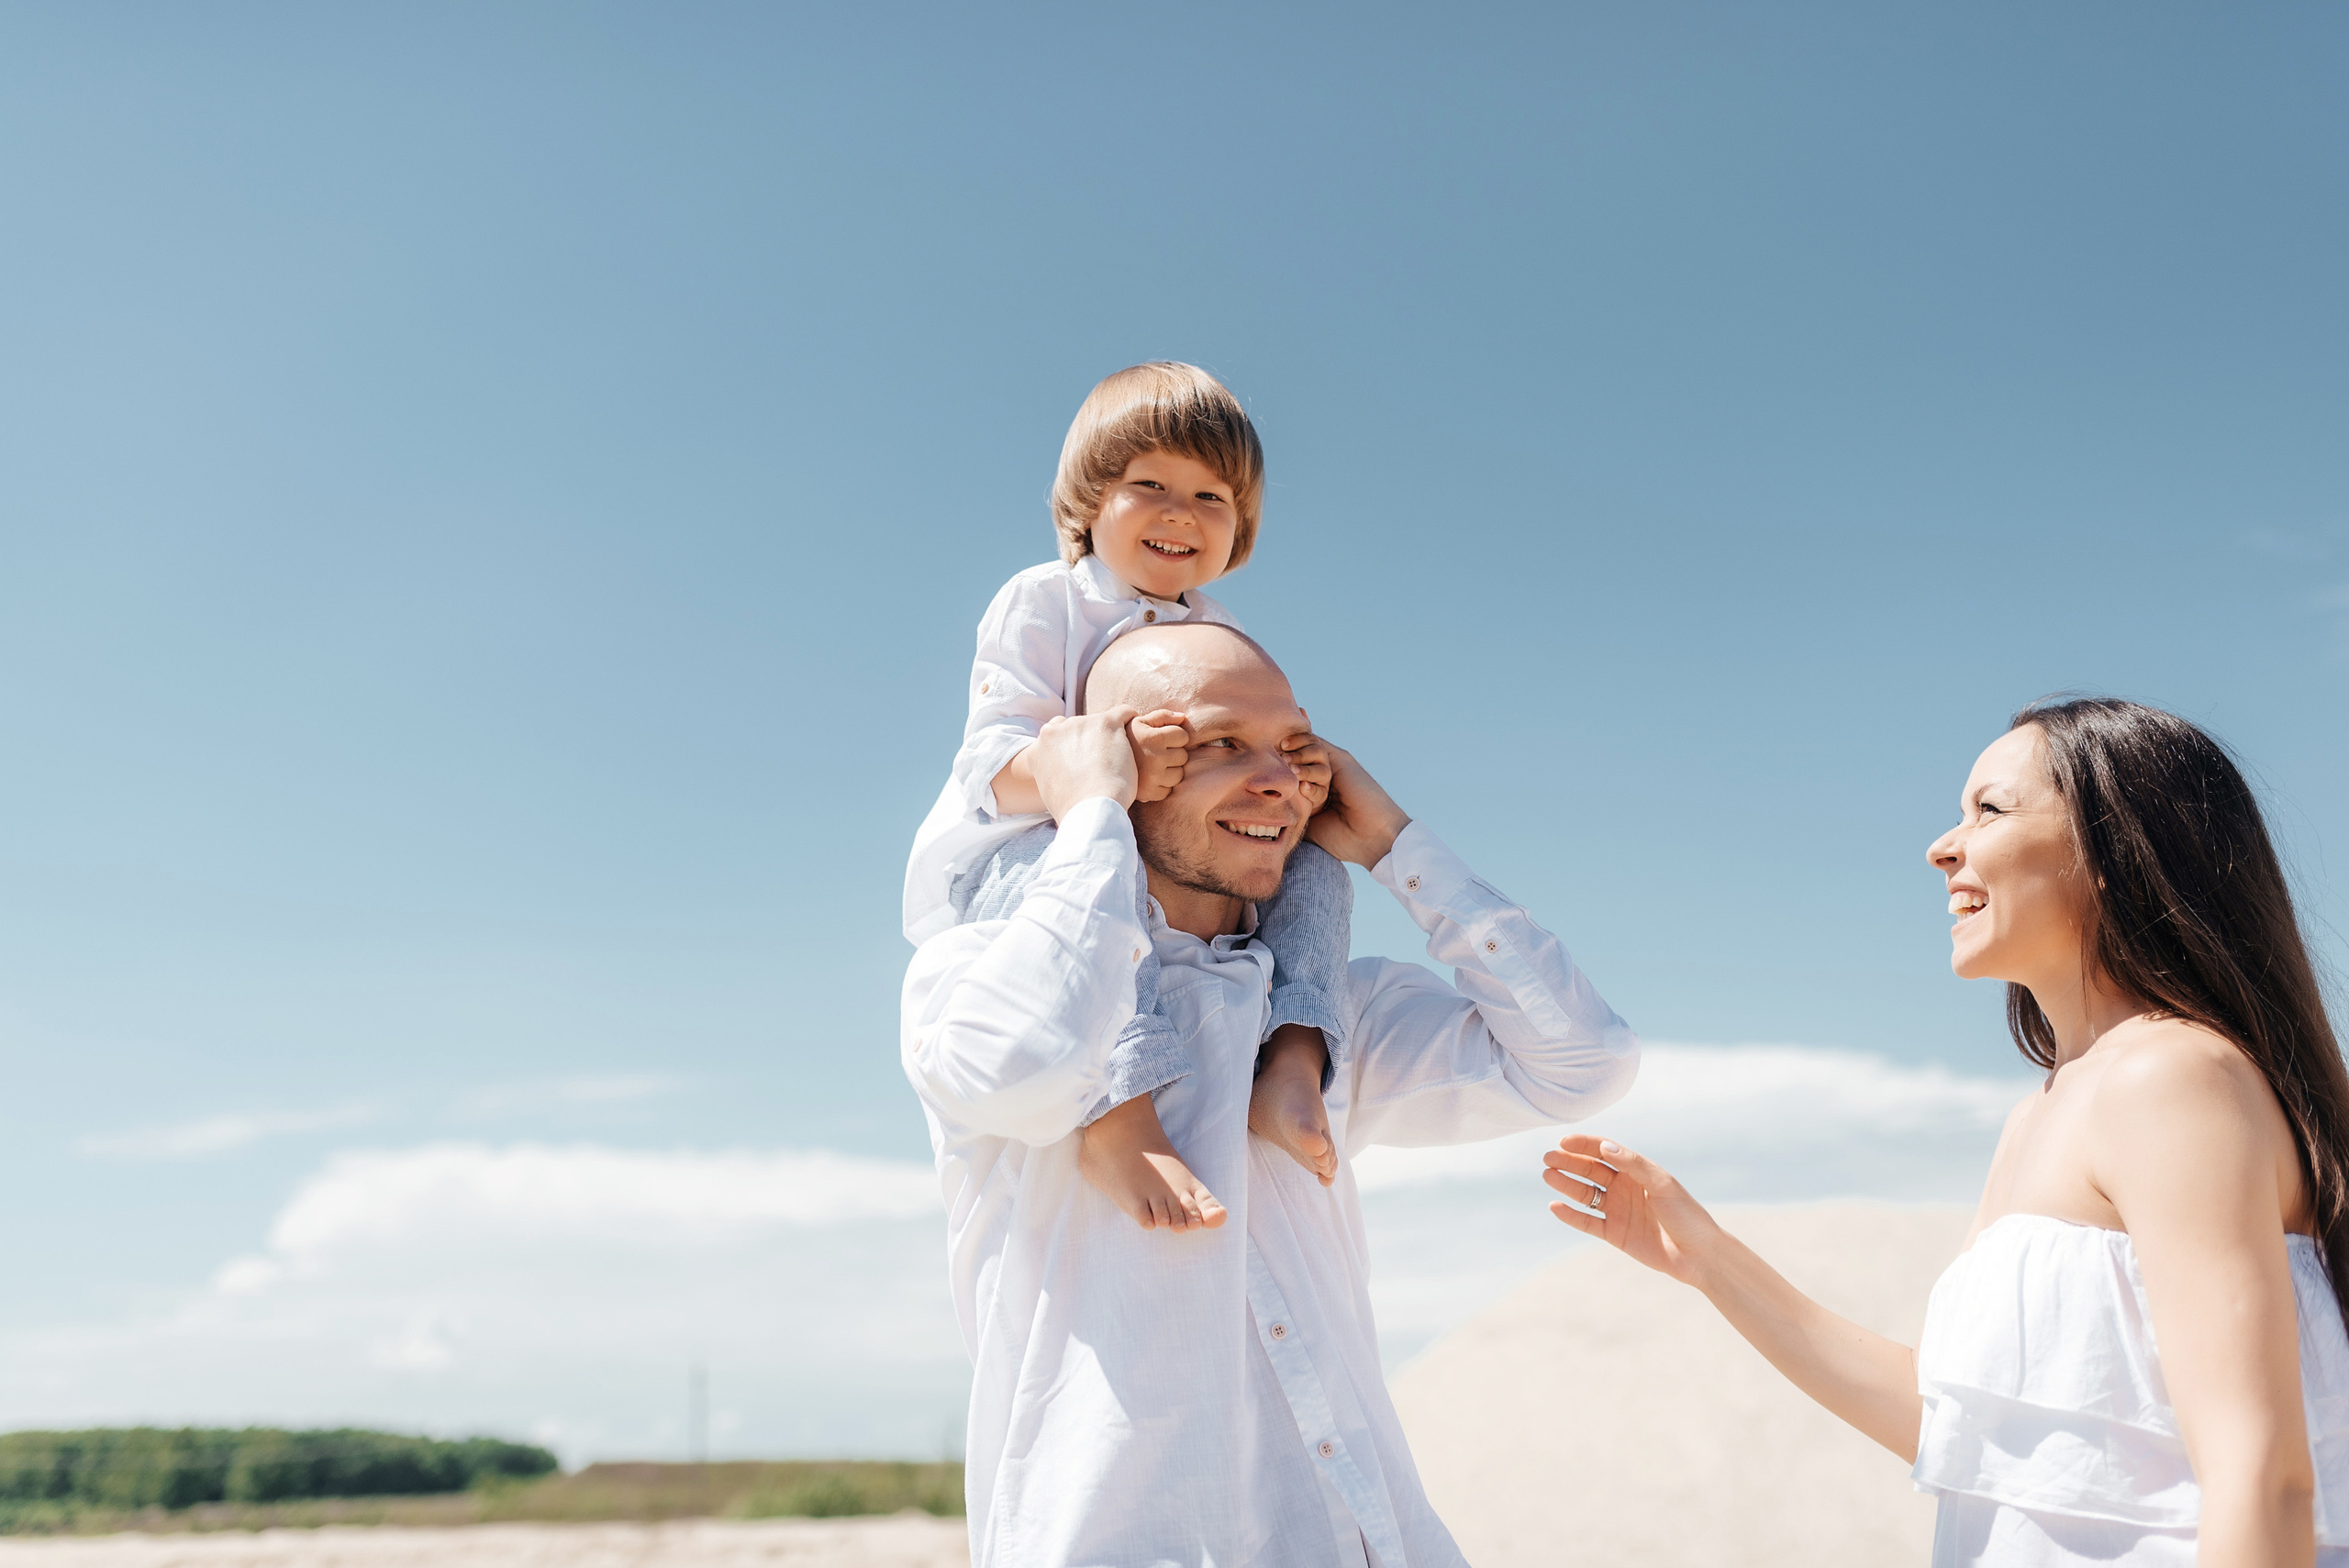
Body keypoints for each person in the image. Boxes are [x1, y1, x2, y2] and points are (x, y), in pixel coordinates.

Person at [1542, 697, 2349, 1566]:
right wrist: (1705, 1256)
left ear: (2113, 849)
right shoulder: (2040, 1115)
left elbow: (2261, 1476)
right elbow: (1958, 1429)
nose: (1941, 847)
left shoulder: (2169, 1077)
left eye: (1989, 810)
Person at [902, 621, 1639, 1566]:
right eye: (1218, 744)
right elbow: (1032, 1066)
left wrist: (1396, 846)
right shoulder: (972, 979)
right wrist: (1087, 817)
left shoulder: (1326, 1016)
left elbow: (1582, 1061)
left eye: (1294, 748)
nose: (1280, 781)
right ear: (1117, 762)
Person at [902, 361, 1355, 1234]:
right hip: (1023, 847)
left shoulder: (1222, 633)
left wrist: (1296, 773)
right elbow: (992, 766)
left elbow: (1251, 754)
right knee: (1080, 874)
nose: (1182, 512)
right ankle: (1116, 1107)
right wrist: (1109, 768)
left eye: (1211, 496)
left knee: (1318, 874)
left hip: (1159, 857)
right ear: (1089, 503)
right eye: (1151, 485)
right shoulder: (1044, 601)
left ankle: (1295, 1058)